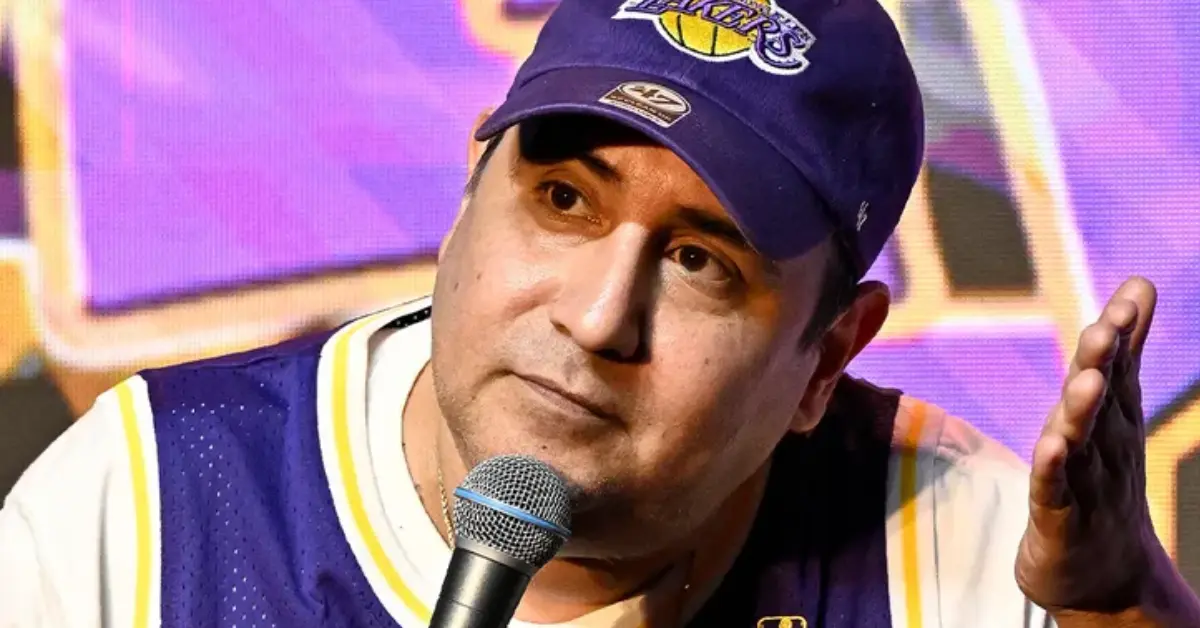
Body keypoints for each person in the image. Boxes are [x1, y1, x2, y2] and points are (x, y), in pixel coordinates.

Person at [2, 0, 1198, 626]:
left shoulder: (951, 550)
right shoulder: (156, 509)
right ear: (468, 196)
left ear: (827, 357)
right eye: (564, 200)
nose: (595, 316)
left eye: (699, 261)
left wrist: (1117, 611)